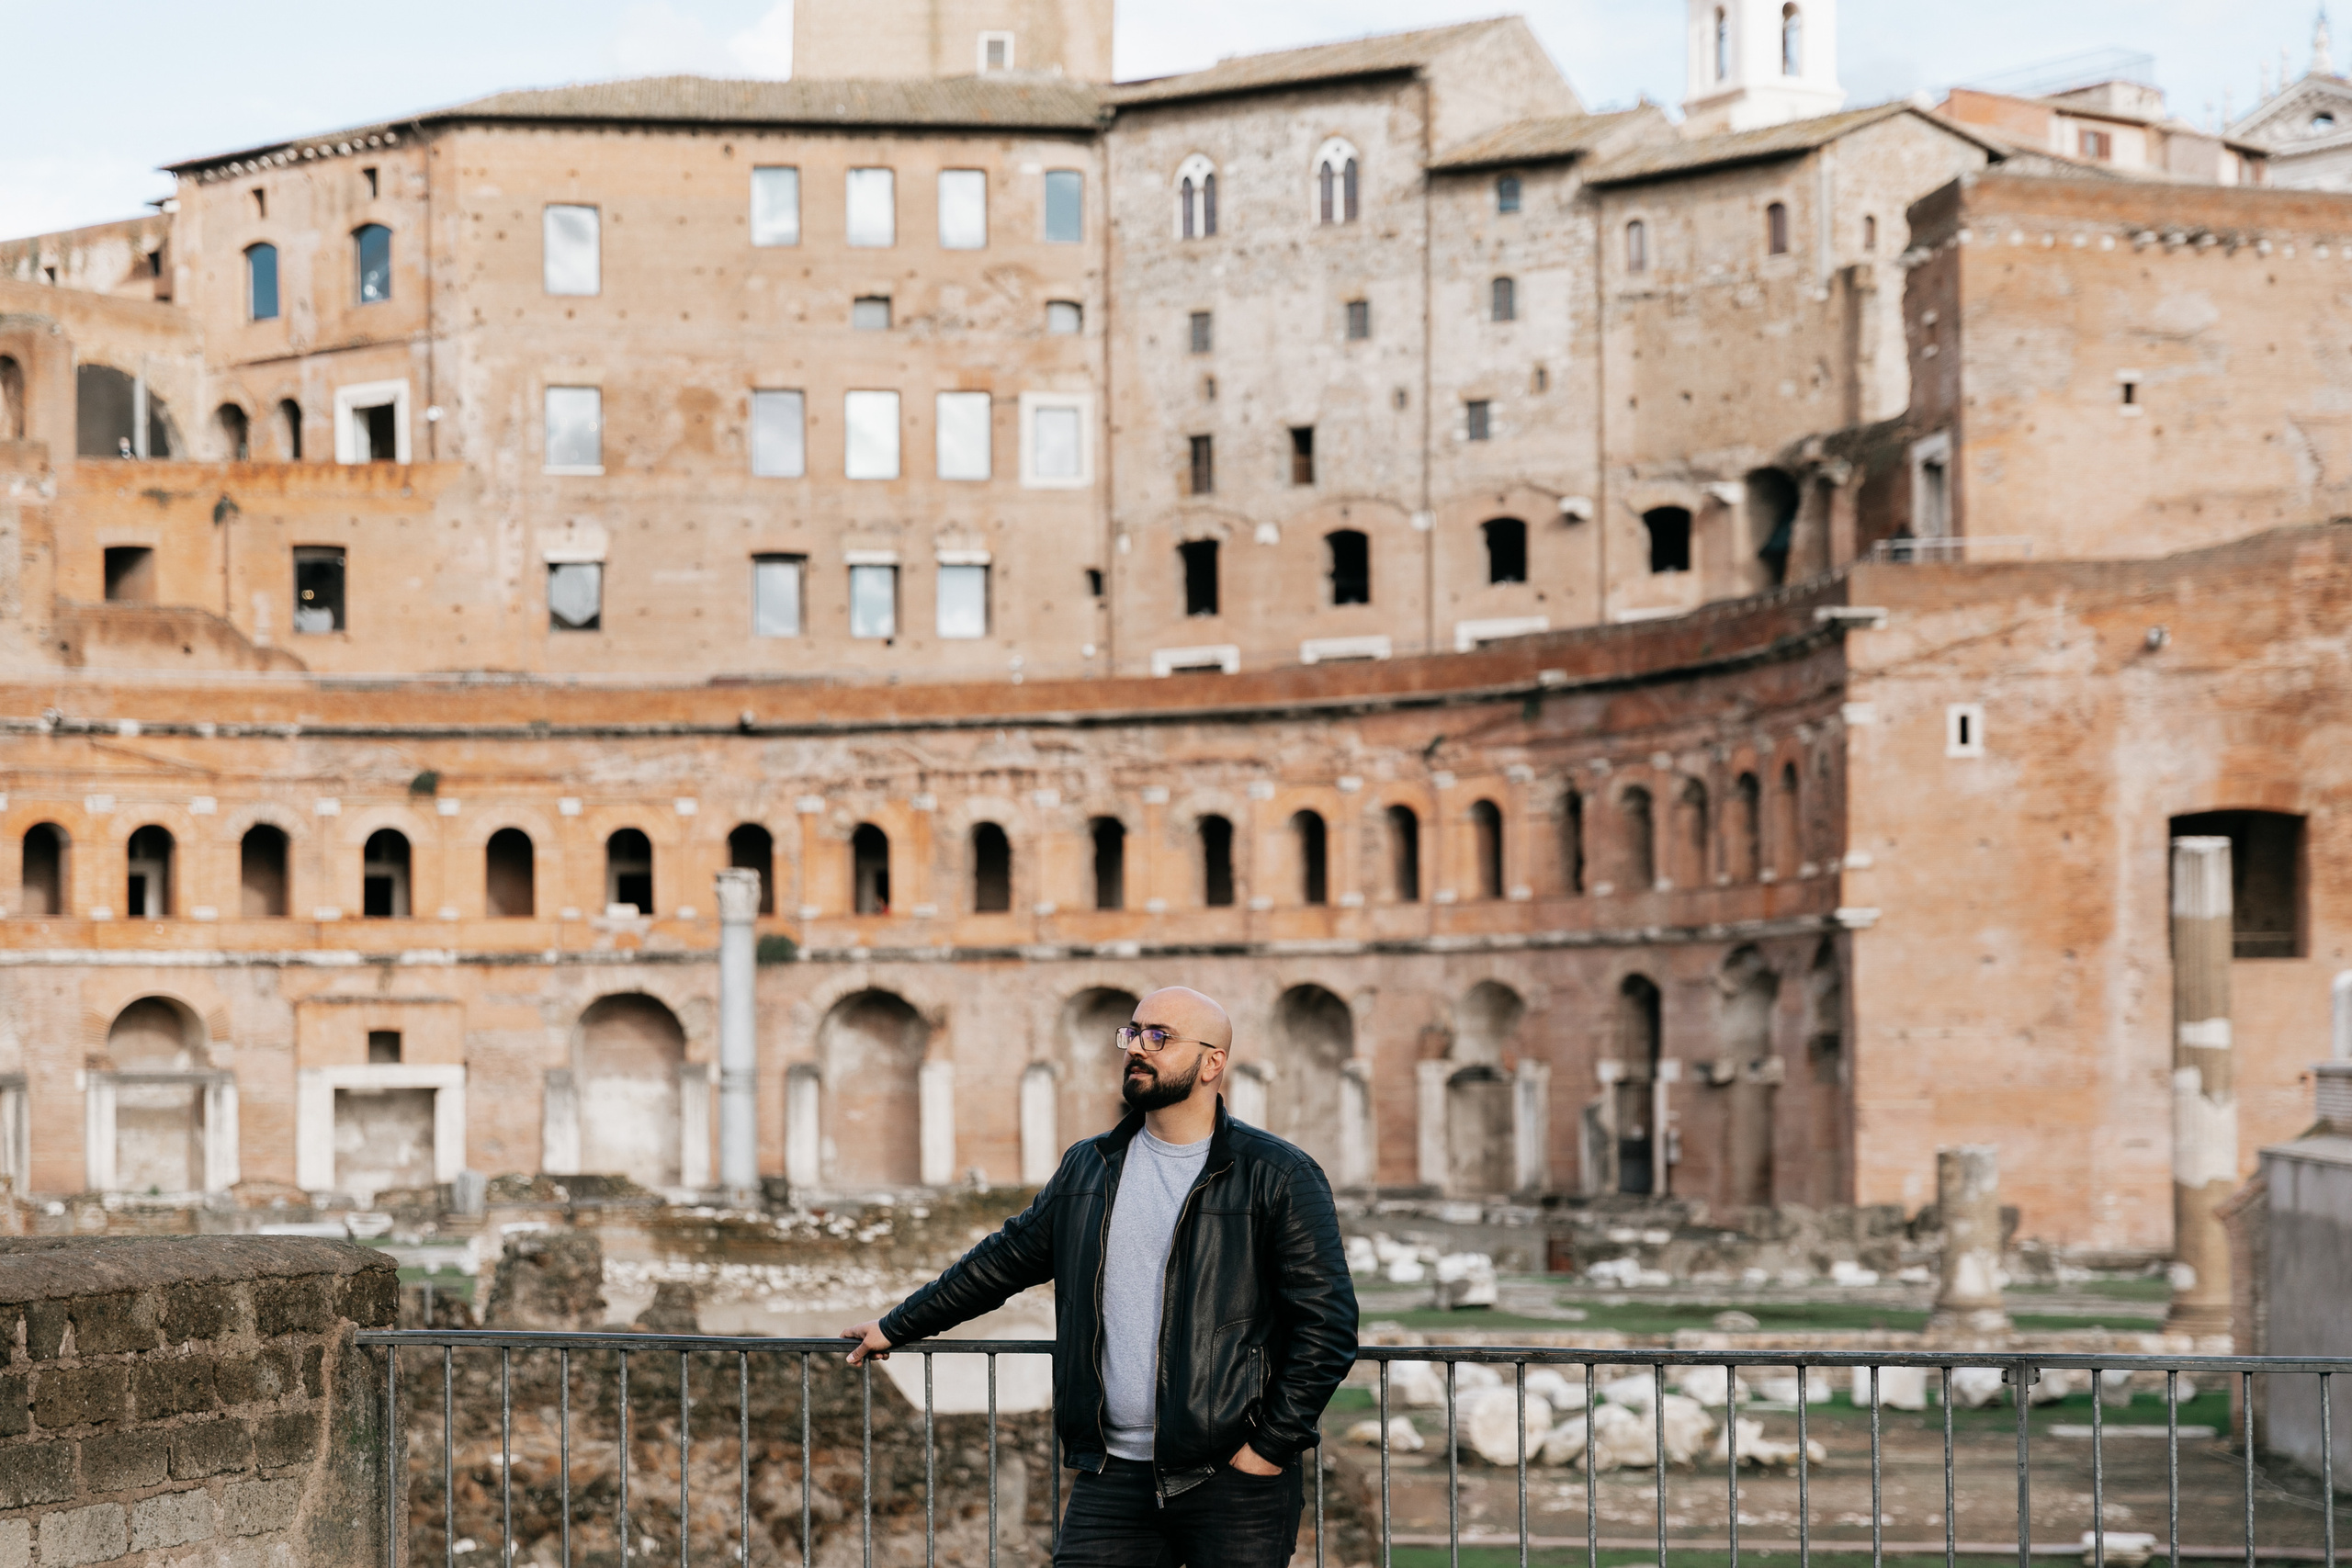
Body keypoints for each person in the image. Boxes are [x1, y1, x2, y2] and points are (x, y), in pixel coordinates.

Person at [839, 986, 1357, 1568]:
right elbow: (1003, 1262)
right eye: (1132, 1033)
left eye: (1158, 1037)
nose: (1137, 1048)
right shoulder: (1090, 1164)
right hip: (1113, 1476)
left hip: (1232, 1478)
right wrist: (897, 1325)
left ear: (1213, 1062)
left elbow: (1328, 1327)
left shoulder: (1278, 1174)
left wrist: (1267, 1449)